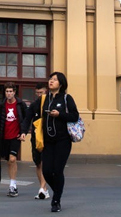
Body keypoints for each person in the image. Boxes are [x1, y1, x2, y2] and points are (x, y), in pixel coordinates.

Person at [21, 71, 79, 213]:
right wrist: (23, 131)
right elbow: (29, 115)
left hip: (62, 141)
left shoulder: (66, 98)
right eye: (50, 79)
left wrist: (60, 114)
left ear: (61, 83)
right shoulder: (43, 99)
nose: (51, 81)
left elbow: (74, 116)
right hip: (47, 141)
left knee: (57, 171)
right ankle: (58, 190)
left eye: (54, 79)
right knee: (46, 171)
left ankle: (56, 200)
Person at [0, 82, 26, 198]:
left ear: (14, 92)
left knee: (13, 159)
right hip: (4, 136)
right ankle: (12, 182)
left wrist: (23, 132)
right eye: (7, 91)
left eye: (11, 91)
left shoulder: (20, 104)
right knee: (8, 161)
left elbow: (26, 118)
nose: (9, 93)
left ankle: (12, 185)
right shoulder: (1, 105)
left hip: (16, 136)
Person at [31, 82, 50, 200]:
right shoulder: (34, 105)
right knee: (38, 163)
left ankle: (42, 188)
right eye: (37, 93)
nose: (39, 95)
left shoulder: (50, 104)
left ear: (46, 91)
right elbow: (28, 117)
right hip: (36, 137)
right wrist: (23, 131)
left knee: (44, 163)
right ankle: (44, 189)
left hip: (48, 137)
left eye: (41, 92)